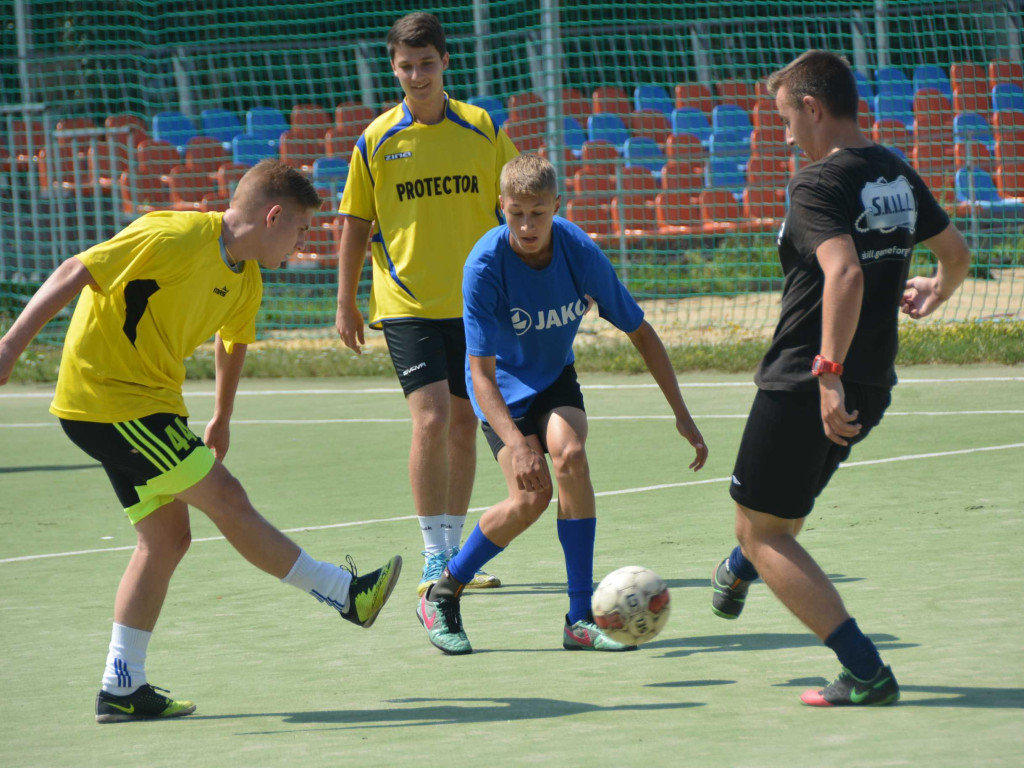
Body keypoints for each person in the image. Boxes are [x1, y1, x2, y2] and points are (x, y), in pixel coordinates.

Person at [0, 159, 403, 723]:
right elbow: (77, 269)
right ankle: (344, 594)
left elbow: (232, 343)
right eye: (302, 229)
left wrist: (222, 416)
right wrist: (10, 347)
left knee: (166, 538)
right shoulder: (172, 234)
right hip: (109, 398)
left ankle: (122, 685)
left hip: (148, 403)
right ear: (273, 215)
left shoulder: (247, 278)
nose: (303, 242)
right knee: (227, 498)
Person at [708, 51, 972, 706]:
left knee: (764, 528)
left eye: (785, 119)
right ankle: (740, 568)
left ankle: (865, 671)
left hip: (806, 382)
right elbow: (956, 254)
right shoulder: (894, 171)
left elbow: (845, 274)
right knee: (779, 514)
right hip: (874, 384)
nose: (786, 134)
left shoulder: (816, 183)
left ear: (811, 108)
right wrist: (937, 291)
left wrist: (826, 374)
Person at [415, 153, 708, 655]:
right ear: (500, 208)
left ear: (557, 206)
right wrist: (516, 442)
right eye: (516, 213)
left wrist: (681, 413)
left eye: (538, 212)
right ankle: (443, 593)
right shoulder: (484, 266)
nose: (527, 225)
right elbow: (480, 374)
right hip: (501, 388)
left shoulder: (578, 250)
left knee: (571, 457)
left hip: (553, 378)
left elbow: (640, 331)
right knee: (530, 499)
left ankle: (578, 620)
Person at [335, 11, 518, 596]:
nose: (417, 75)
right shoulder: (377, 141)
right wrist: (346, 301)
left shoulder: (482, 129)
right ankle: (433, 557)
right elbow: (355, 223)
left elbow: (516, 198)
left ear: (446, 64)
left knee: (465, 423)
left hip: (473, 306)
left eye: (427, 64)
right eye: (406, 67)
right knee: (433, 418)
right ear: (394, 69)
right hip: (406, 304)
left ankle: (459, 555)